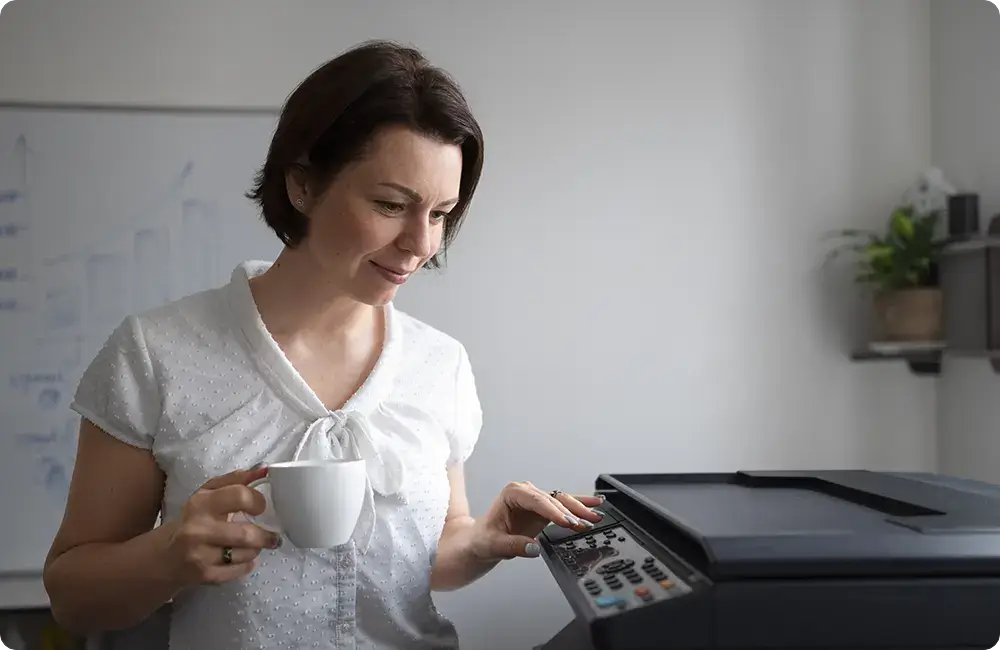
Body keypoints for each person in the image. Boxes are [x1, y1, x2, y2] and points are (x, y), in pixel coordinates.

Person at [41, 40, 604, 649]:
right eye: (392, 205)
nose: (422, 244)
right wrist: (168, 555)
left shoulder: (440, 364)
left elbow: (428, 559)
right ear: (303, 186)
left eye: (441, 213)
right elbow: (73, 599)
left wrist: (482, 539)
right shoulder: (156, 354)